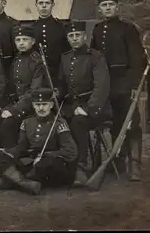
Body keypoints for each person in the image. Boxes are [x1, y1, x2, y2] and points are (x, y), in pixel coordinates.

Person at [90, 0, 145, 181]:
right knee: (114, 122)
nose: (107, 8)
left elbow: (137, 59)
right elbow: (93, 58)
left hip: (124, 81)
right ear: (99, 9)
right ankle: (119, 159)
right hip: (106, 83)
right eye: (104, 6)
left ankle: (135, 163)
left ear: (116, 7)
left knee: (131, 122)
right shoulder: (97, 30)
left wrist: (134, 85)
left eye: (110, 5)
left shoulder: (127, 28)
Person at [0, 88, 78, 195]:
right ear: (33, 105)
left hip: (51, 163)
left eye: (44, 104)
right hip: (33, 163)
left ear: (51, 105)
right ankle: (25, 183)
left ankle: (11, 180)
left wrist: (47, 155)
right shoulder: (27, 122)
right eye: (37, 104)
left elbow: (71, 151)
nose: (41, 108)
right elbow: (21, 147)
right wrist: (7, 151)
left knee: (44, 165)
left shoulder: (59, 123)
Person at [58, 20, 111, 185]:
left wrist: (88, 108)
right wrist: (56, 94)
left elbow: (101, 87)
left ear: (85, 36)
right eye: (71, 36)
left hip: (96, 108)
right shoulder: (65, 58)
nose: (74, 38)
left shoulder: (96, 57)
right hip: (73, 106)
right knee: (56, 120)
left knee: (78, 122)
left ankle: (81, 165)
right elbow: (61, 84)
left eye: (77, 35)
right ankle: (62, 164)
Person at [0, 25, 45, 149]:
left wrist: (13, 110)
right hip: (14, 103)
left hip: (31, 106)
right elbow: (11, 87)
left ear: (32, 41)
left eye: (25, 39)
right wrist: (1, 106)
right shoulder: (17, 58)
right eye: (18, 40)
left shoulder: (37, 62)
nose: (21, 43)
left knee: (6, 127)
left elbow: (34, 92)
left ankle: (14, 156)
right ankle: (4, 152)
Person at [31, 0, 71, 85]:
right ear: (36, 5)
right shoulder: (31, 29)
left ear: (53, 4)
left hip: (58, 74)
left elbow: (67, 52)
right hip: (37, 75)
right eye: (40, 3)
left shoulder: (61, 27)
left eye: (47, 3)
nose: (44, 6)